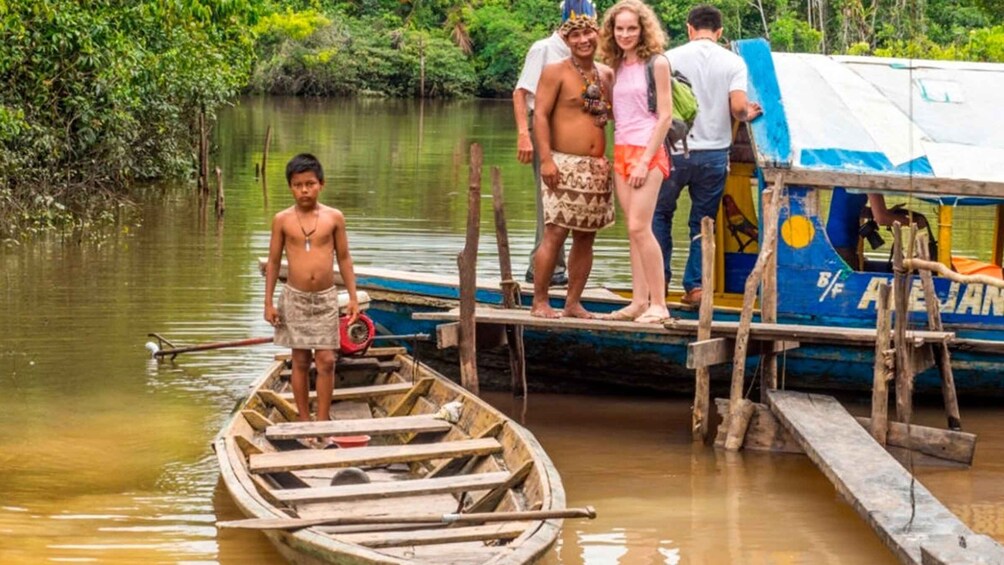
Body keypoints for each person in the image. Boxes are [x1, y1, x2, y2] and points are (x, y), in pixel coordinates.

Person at [652, 4, 762, 306]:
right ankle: (696, 287)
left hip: (673, 151)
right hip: (714, 155)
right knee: (703, 221)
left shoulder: (668, 59)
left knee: (659, 215)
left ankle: (658, 283)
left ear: (689, 28)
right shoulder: (733, 62)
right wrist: (749, 112)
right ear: (720, 32)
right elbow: (738, 107)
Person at [264, 153, 360, 441]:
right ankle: (305, 421)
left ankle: (322, 424)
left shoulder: (334, 218)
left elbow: (343, 257)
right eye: (297, 185)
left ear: (321, 184)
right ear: (290, 187)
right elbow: (272, 261)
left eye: (309, 184)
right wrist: (268, 302)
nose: (304, 190)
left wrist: (353, 296)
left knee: (327, 359)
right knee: (301, 360)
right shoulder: (282, 220)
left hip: (326, 298)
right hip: (294, 297)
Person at [530, 0, 616, 319]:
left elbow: (613, 115)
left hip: (596, 166)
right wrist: (547, 160)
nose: (583, 40)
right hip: (563, 163)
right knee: (555, 232)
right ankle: (540, 301)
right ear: (566, 40)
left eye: (588, 33)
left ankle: (573, 302)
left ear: (597, 34)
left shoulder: (605, 74)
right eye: (575, 34)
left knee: (586, 237)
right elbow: (539, 114)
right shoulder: (555, 72)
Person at [598, 0, 673, 323]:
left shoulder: (657, 63)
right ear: (611, 31)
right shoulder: (614, 66)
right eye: (620, 28)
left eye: (631, 28)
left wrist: (644, 161)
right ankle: (638, 301)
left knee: (639, 226)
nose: (625, 34)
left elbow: (666, 116)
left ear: (643, 29)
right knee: (633, 232)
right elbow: (618, 113)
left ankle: (660, 304)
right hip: (621, 150)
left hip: (648, 152)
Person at [514, 6, 572, 287]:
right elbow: (521, 92)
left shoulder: (578, 51)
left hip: (567, 128)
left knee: (563, 198)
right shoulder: (544, 49)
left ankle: (551, 266)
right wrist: (524, 134)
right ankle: (544, 266)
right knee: (548, 198)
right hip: (542, 126)